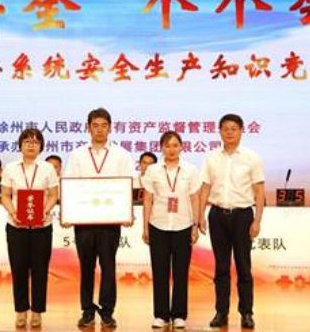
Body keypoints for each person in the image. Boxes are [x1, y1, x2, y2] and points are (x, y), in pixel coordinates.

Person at [64, 108, 134, 329]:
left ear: (110, 128)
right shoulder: (77, 155)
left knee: (108, 266)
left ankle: (107, 311)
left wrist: (127, 213)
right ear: (88, 128)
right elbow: (69, 185)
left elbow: (128, 185)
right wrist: (67, 214)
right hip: (83, 221)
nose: (100, 130)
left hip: (110, 222)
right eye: (95, 125)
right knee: (86, 267)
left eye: (104, 125)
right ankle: (87, 310)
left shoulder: (121, 155)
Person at [197, 113, 264, 330]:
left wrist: (257, 220)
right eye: (225, 128)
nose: (229, 132)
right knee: (221, 267)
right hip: (217, 215)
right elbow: (205, 187)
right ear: (220, 132)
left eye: (234, 128)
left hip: (243, 216)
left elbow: (259, 191)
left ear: (241, 131)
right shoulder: (211, 157)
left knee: (244, 266)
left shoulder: (252, 158)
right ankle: (221, 312)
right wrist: (200, 215)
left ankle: (246, 313)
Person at [0, 128, 59, 328]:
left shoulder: (48, 168)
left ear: (41, 146)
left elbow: (53, 195)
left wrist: (45, 211)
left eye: (35, 142)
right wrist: (13, 212)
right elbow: (5, 195)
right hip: (16, 227)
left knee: (40, 270)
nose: (31, 145)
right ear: (20, 145)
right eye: (27, 141)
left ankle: (37, 312)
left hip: (42, 227)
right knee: (19, 270)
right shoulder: (10, 168)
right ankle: (21, 311)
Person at [142, 132, 200, 329]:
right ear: (161, 148)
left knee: (181, 272)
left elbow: (195, 198)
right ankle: (161, 315)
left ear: (181, 147)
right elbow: (148, 199)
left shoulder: (190, 170)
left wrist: (195, 225)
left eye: (175, 145)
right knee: (159, 271)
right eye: (167, 146)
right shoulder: (153, 171)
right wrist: (145, 227)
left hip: (183, 225)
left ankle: (179, 315)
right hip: (158, 225)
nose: (171, 149)